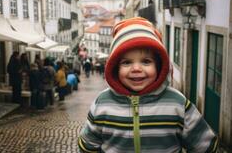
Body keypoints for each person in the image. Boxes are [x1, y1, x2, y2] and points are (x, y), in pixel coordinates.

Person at [78, 17, 218, 153]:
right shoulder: (102, 103)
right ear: (115, 68)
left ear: (159, 65)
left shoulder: (177, 103)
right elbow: (88, 145)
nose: (136, 68)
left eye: (146, 61)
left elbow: (205, 145)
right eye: (127, 62)